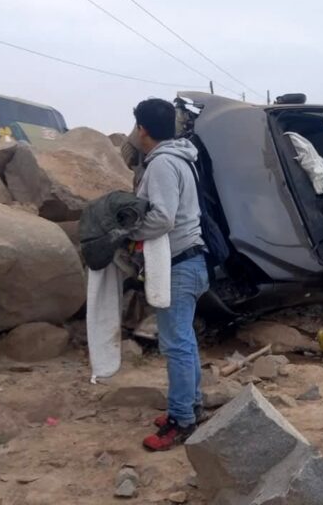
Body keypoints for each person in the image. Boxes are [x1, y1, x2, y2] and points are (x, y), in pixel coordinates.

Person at [130, 98, 208, 451]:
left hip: (177, 264)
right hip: (193, 261)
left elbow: (162, 217)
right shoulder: (182, 158)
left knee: (176, 344)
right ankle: (191, 405)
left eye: (136, 127)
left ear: (143, 129)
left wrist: (129, 233)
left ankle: (180, 421)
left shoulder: (161, 164)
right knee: (184, 341)